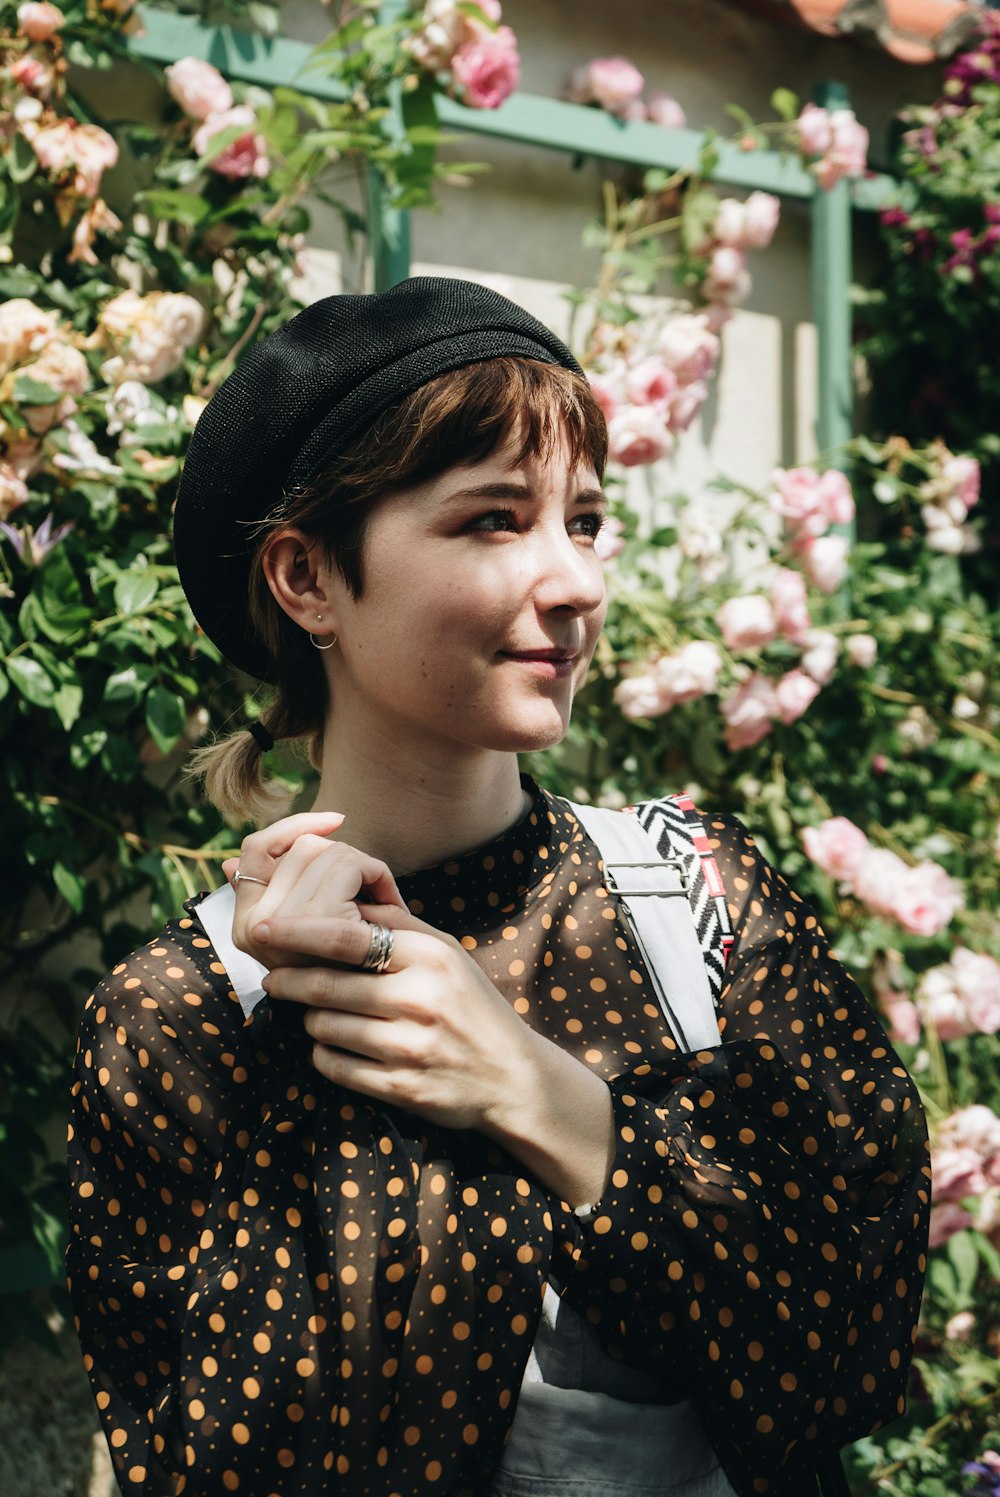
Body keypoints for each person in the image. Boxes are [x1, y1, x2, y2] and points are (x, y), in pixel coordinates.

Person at [67, 277, 930, 1497]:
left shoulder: (696, 904)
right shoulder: (184, 1015)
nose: (575, 582)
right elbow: (181, 1460)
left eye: (582, 521)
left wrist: (547, 1102)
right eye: (492, 520)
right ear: (306, 577)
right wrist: (279, 1073)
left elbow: (851, 1352)